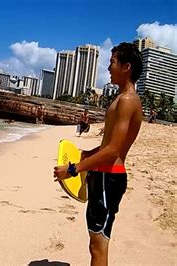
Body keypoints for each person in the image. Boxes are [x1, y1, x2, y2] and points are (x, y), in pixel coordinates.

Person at [54, 42, 143, 265]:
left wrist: (73, 170)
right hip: (103, 175)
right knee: (96, 243)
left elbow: (114, 150)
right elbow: (109, 146)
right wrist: (85, 154)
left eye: (112, 62)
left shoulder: (127, 101)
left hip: (108, 177)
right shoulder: (122, 99)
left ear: (126, 67)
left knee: (98, 246)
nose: (108, 68)